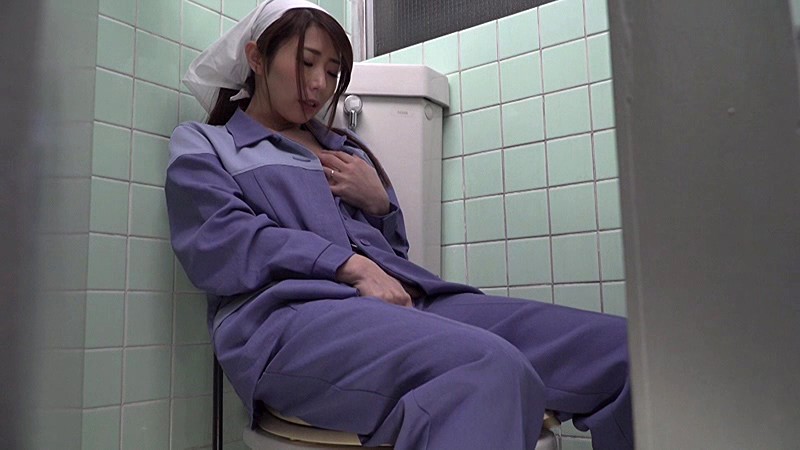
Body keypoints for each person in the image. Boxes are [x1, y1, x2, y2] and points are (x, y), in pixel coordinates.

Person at [166, 1, 633, 448]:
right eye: (306, 62)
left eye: (332, 71)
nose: (319, 84)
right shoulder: (207, 144)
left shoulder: (348, 151)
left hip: (407, 305)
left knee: (627, 351)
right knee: (487, 367)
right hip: (288, 321)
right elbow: (220, 243)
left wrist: (378, 203)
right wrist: (350, 266)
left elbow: (394, 258)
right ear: (256, 57)